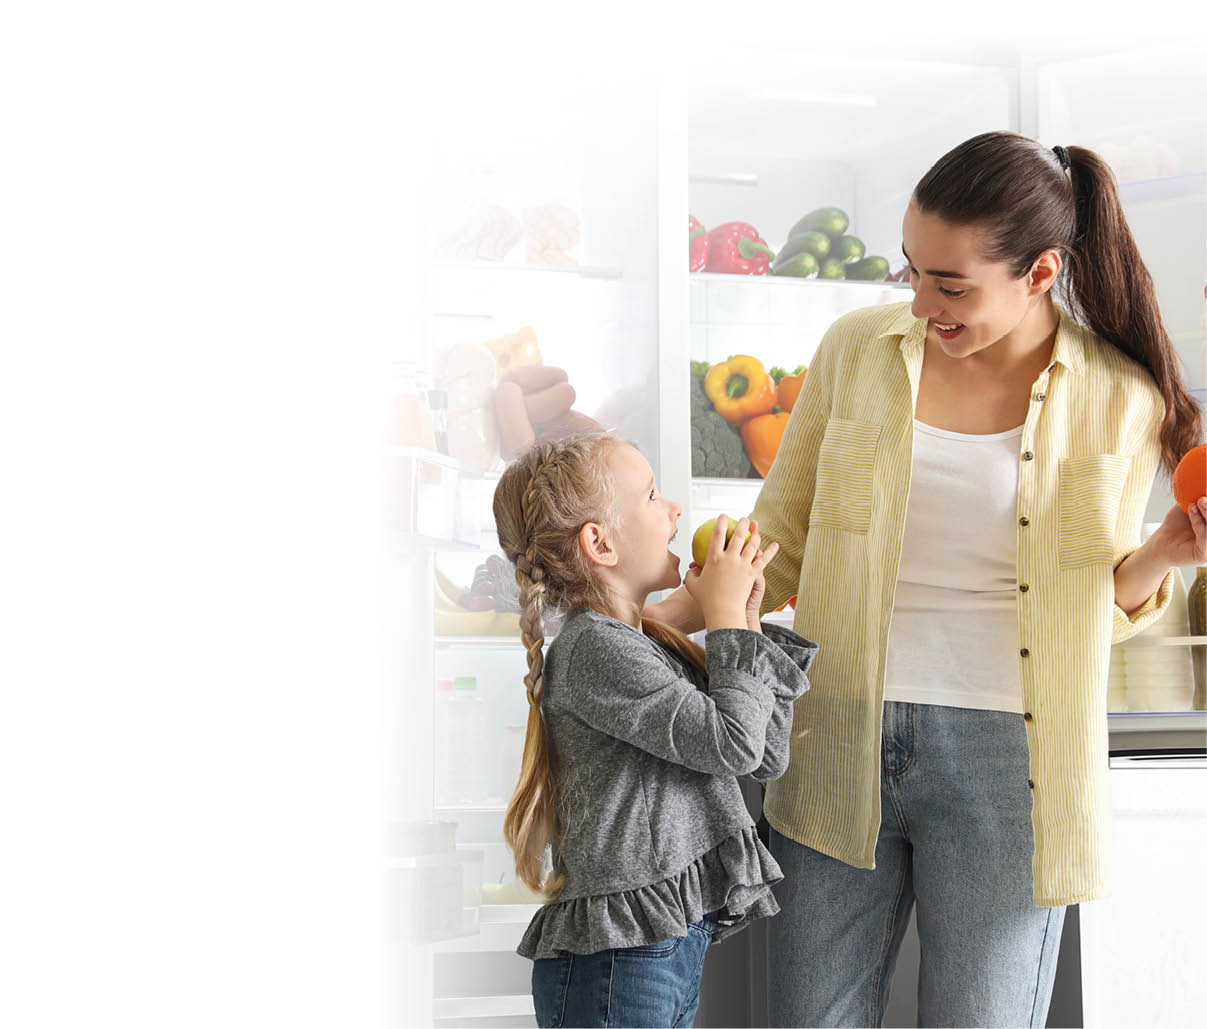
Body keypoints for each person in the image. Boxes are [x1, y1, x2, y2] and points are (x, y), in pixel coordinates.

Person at [647, 131, 1206, 1027]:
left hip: (1011, 758)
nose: (922, 302)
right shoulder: (857, 350)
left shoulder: (1119, 395)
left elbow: (1088, 604)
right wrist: (647, 624)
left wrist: (1163, 555)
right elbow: (777, 541)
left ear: (1039, 273)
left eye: (950, 285)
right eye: (912, 272)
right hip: (837, 729)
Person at [491, 432, 817, 1029]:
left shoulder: (642, 645)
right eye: (651, 496)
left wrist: (741, 619)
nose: (673, 511)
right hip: (620, 961)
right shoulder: (596, 650)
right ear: (600, 542)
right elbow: (734, 745)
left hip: (657, 946)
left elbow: (764, 754)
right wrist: (723, 624)